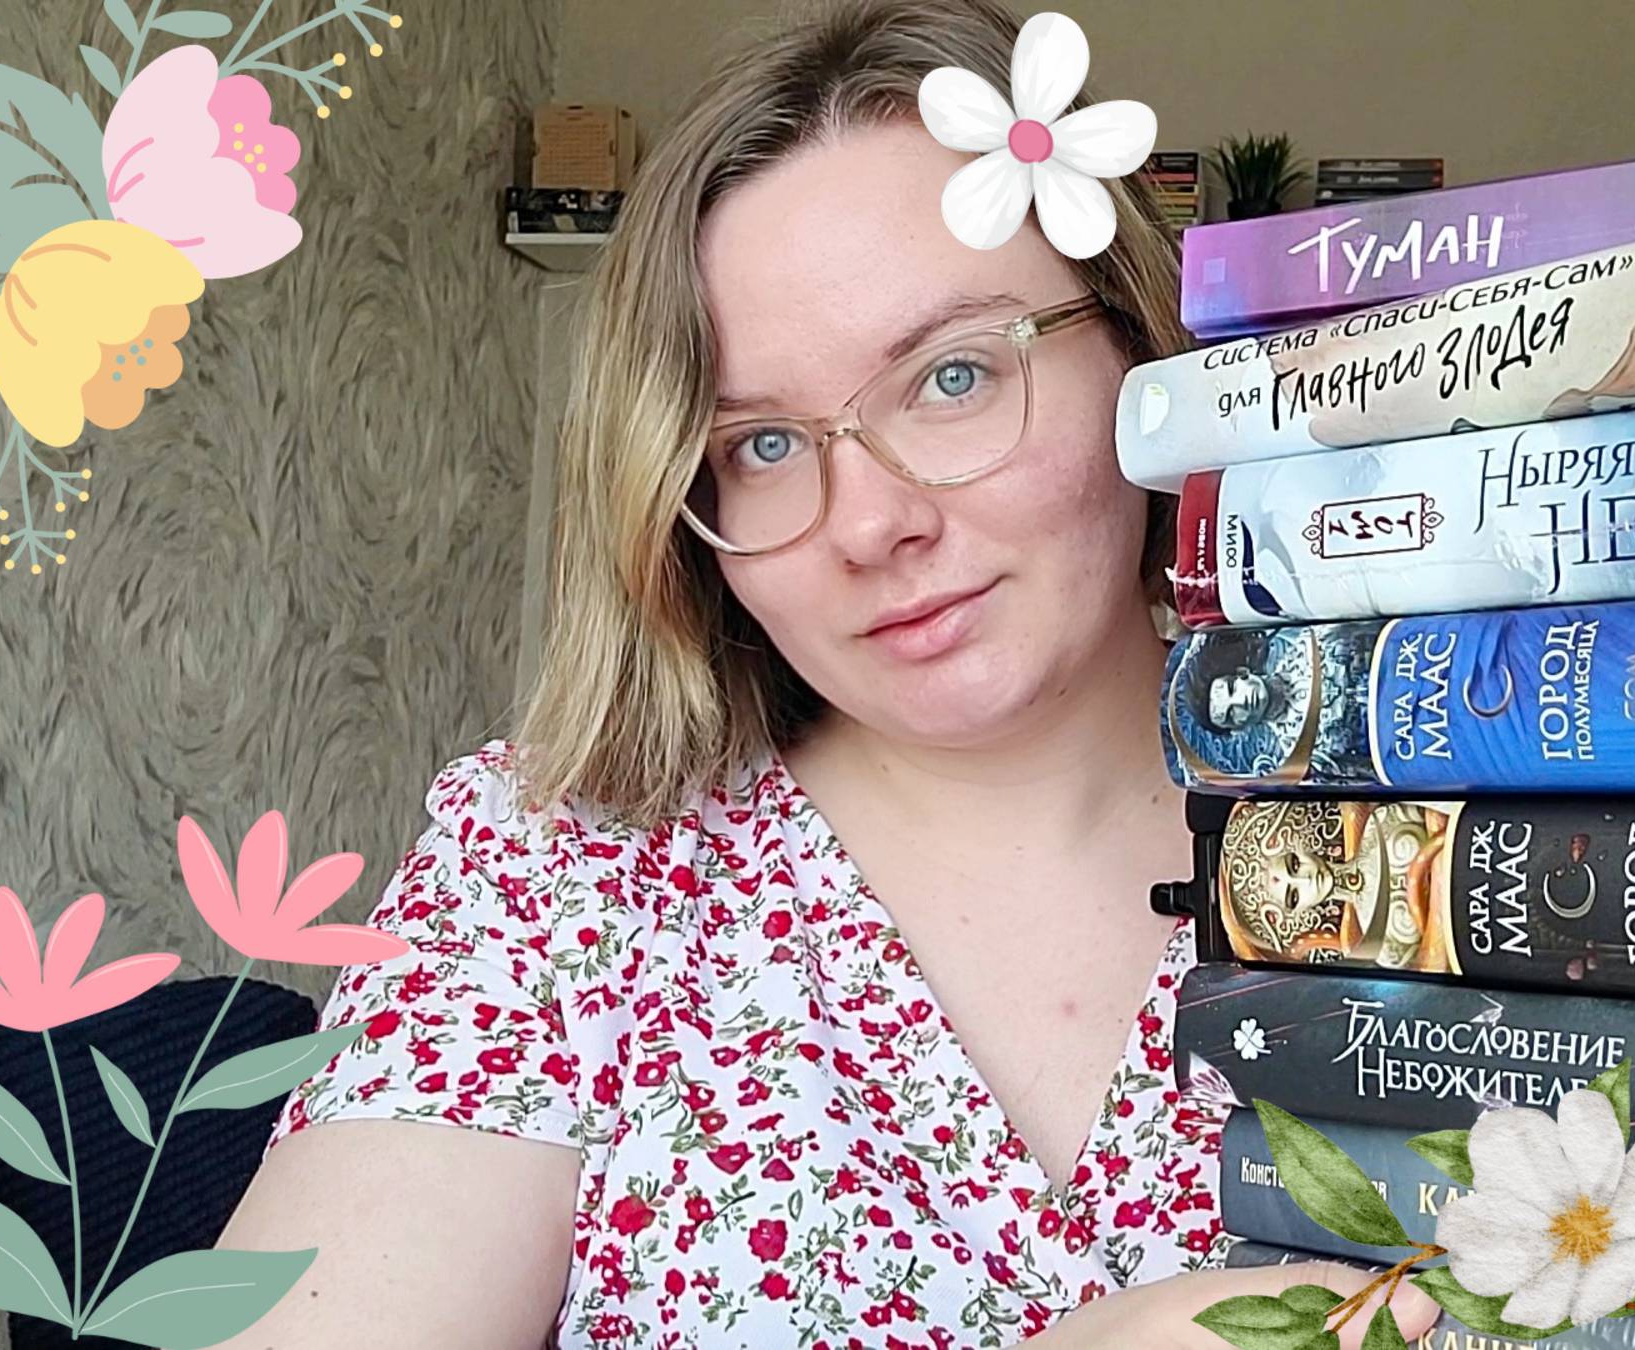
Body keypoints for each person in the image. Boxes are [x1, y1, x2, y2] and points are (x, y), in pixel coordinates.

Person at [209, 1, 1440, 1346]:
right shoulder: (556, 881)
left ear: (1140, 359)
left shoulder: (1486, 828)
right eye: (765, 446)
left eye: (953, 376)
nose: (870, 524)